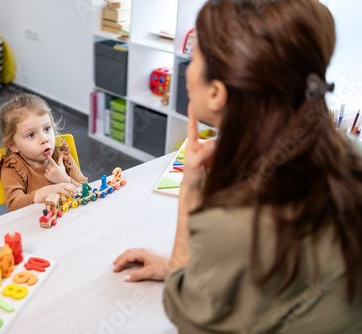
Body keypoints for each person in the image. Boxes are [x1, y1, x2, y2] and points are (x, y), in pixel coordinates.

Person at [113, 0, 362, 332]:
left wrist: (189, 194)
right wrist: (177, 266)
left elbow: (189, 318)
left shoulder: (235, 224)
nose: (187, 69)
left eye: (194, 56)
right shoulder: (348, 153)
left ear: (216, 92)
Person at [0, 93, 87, 212]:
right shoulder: (13, 167)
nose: (44, 139)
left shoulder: (61, 156)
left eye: (47, 129)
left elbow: (88, 190)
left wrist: (65, 179)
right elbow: (14, 205)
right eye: (31, 135)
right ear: (13, 145)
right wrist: (41, 193)